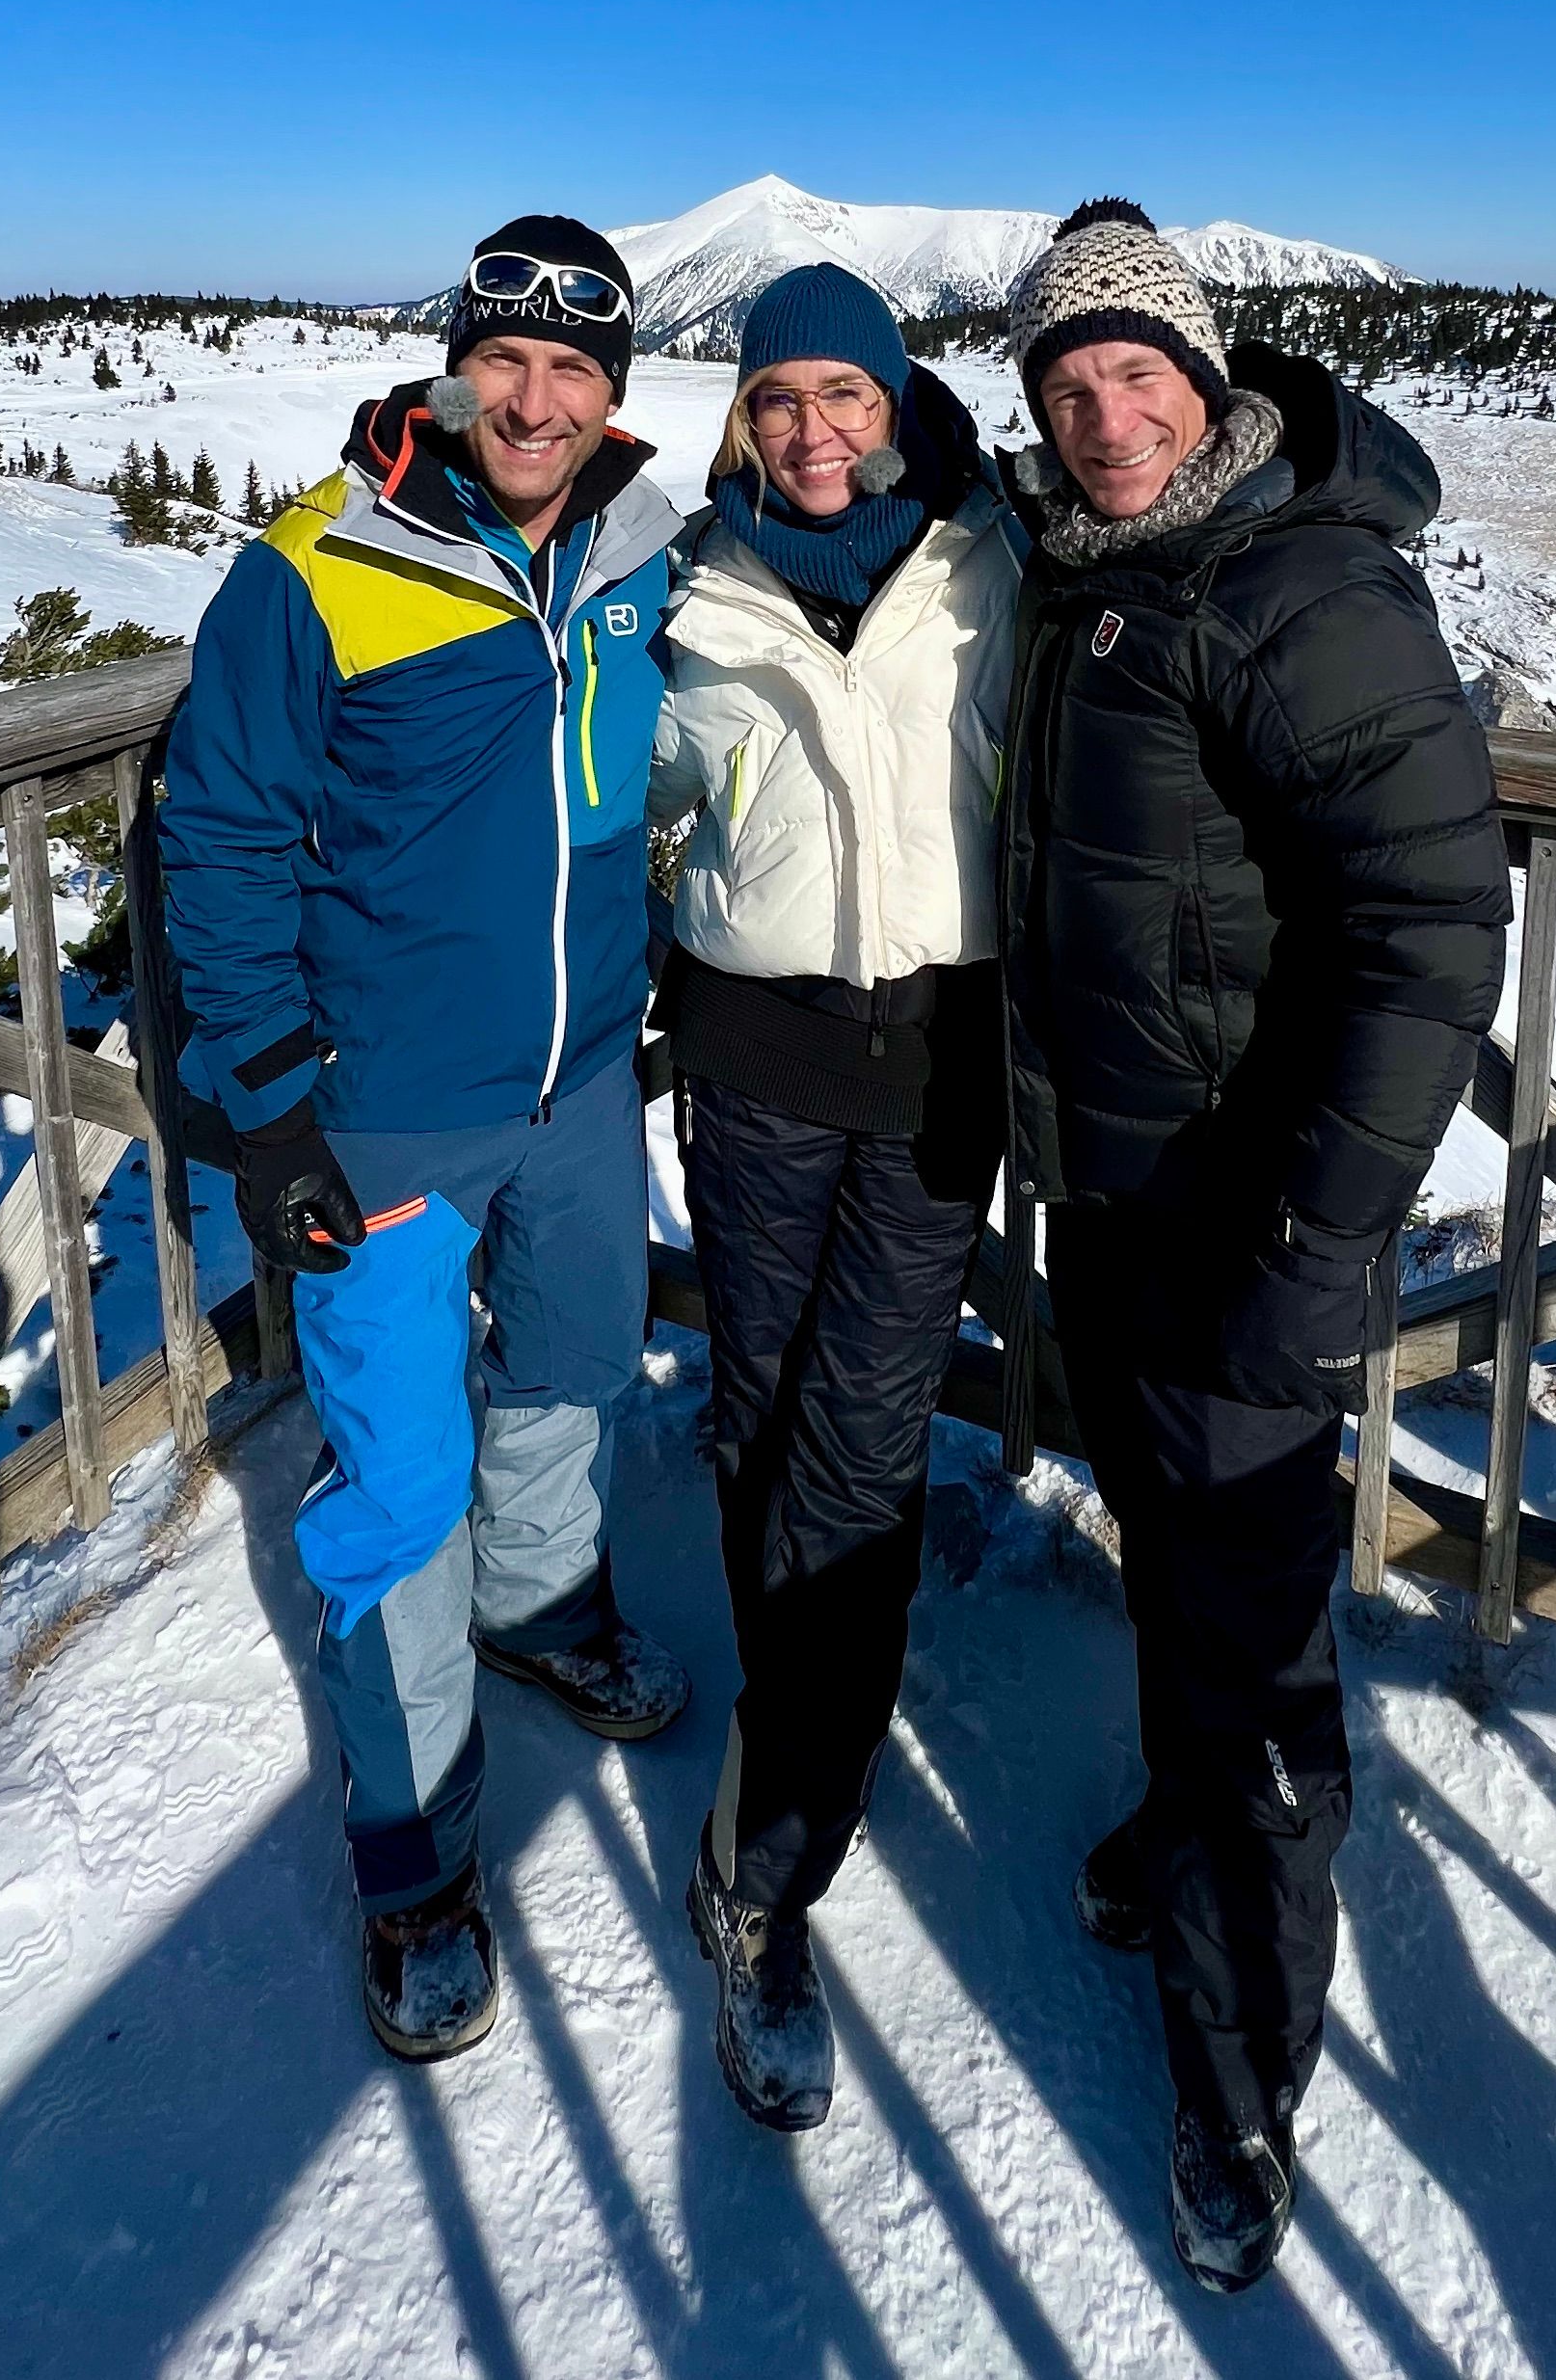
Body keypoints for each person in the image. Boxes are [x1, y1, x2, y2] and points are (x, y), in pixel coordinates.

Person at [995, 201, 1509, 2292]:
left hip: (1246, 1226)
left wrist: (1316, 1240)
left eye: (1144, 374)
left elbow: (1427, 934)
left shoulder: (1299, 586)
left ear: (1209, 385)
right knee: (1185, 1582)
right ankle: (1174, 1828)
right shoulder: (1085, 579)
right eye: (1070, 379)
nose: (1109, 415)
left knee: (1264, 1666)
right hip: (1120, 1203)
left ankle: (1238, 2083)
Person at [159, 214, 693, 2065]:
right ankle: (415, 1867)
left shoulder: (638, 551)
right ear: (458, 364)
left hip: (580, 1090)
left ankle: (545, 1610)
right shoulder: (316, 570)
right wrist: (269, 1102)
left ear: (615, 390)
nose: (537, 400)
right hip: (382, 1107)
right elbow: (217, 836)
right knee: (399, 1482)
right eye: (508, 361)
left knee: (566, 1372)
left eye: (577, 370)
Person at [648, 264, 1024, 2130]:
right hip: (752, 1055)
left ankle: (770, 1857)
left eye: (845, 394)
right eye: (779, 396)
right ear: (744, 412)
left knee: (862, 1443)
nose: (813, 429)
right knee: (759, 1416)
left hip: (939, 1064)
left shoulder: (995, 557)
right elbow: (597, 790)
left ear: (896, 398)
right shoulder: (677, 581)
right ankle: (794, 1748)